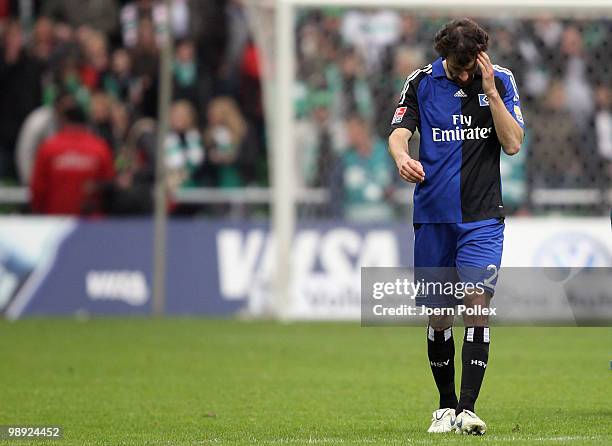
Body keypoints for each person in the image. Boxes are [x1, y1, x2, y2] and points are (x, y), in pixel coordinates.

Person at [387, 18, 524, 435]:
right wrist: (401, 157)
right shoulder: (421, 82)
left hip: (482, 217)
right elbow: (397, 132)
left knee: (476, 306)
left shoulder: (499, 80)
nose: (464, 74)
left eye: (470, 67)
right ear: (443, 55)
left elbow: (513, 143)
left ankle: (468, 408)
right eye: (457, 67)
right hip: (434, 217)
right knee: (441, 316)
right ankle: (445, 407)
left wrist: (490, 94)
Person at [30, 96, 115, 215]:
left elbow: (38, 189)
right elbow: (110, 185)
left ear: (64, 121)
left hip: (55, 224)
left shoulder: (49, 147)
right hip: (93, 226)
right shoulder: (100, 148)